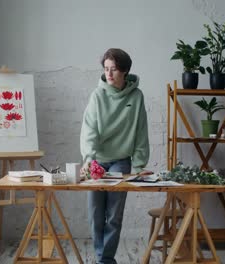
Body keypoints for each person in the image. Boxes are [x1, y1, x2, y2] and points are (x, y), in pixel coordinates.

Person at [80, 48, 150, 264]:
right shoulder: (97, 95)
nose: (109, 74)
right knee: (95, 215)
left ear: (125, 71)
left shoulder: (136, 97)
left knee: (114, 215)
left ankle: (104, 260)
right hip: (97, 161)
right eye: (106, 69)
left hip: (121, 161)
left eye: (114, 69)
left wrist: (139, 167)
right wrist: (89, 159)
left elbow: (140, 132)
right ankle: (104, 258)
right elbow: (89, 129)